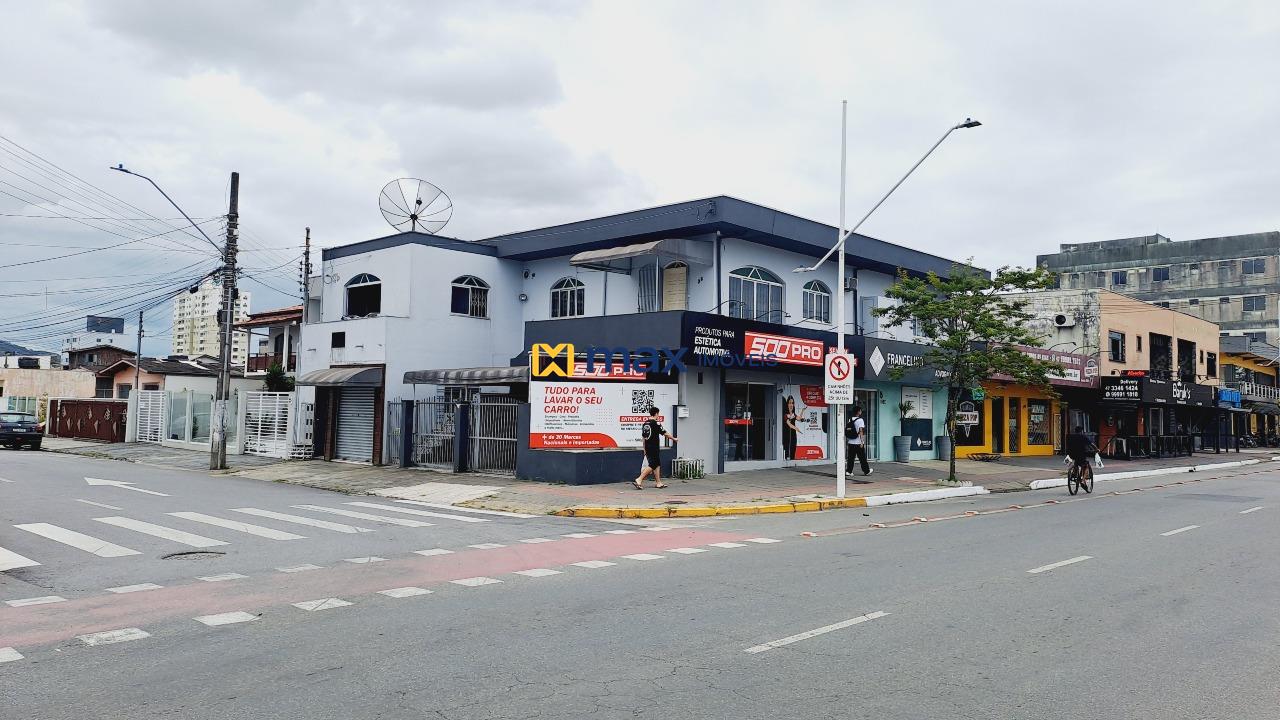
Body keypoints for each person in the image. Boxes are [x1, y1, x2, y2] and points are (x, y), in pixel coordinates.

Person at [634, 407, 677, 489]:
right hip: (654, 447)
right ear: (656, 413)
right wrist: (674, 438)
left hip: (647, 446)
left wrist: (644, 449)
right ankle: (639, 479)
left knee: (657, 464)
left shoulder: (645, 423)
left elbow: (644, 437)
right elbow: (665, 433)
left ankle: (658, 483)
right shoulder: (656, 423)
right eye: (658, 414)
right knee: (653, 464)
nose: (658, 415)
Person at [845, 405, 873, 479]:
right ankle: (866, 471)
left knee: (851, 458)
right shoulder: (860, 420)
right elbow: (861, 431)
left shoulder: (850, 419)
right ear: (858, 412)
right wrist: (862, 441)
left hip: (851, 442)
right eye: (860, 410)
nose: (861, 412)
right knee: (862, 458)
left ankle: (849, 471)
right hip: (858, 443)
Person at [782, 396, 799, 461]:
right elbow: (788, 423)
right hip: (786, 432)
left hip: (793, 433)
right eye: (789, 403)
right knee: (786, 446)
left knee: (793, 446)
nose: (791, 404)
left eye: (792, 403)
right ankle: (786, 459)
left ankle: (792, 459)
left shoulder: (794, 414)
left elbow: (799, 418)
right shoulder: (785, 414)